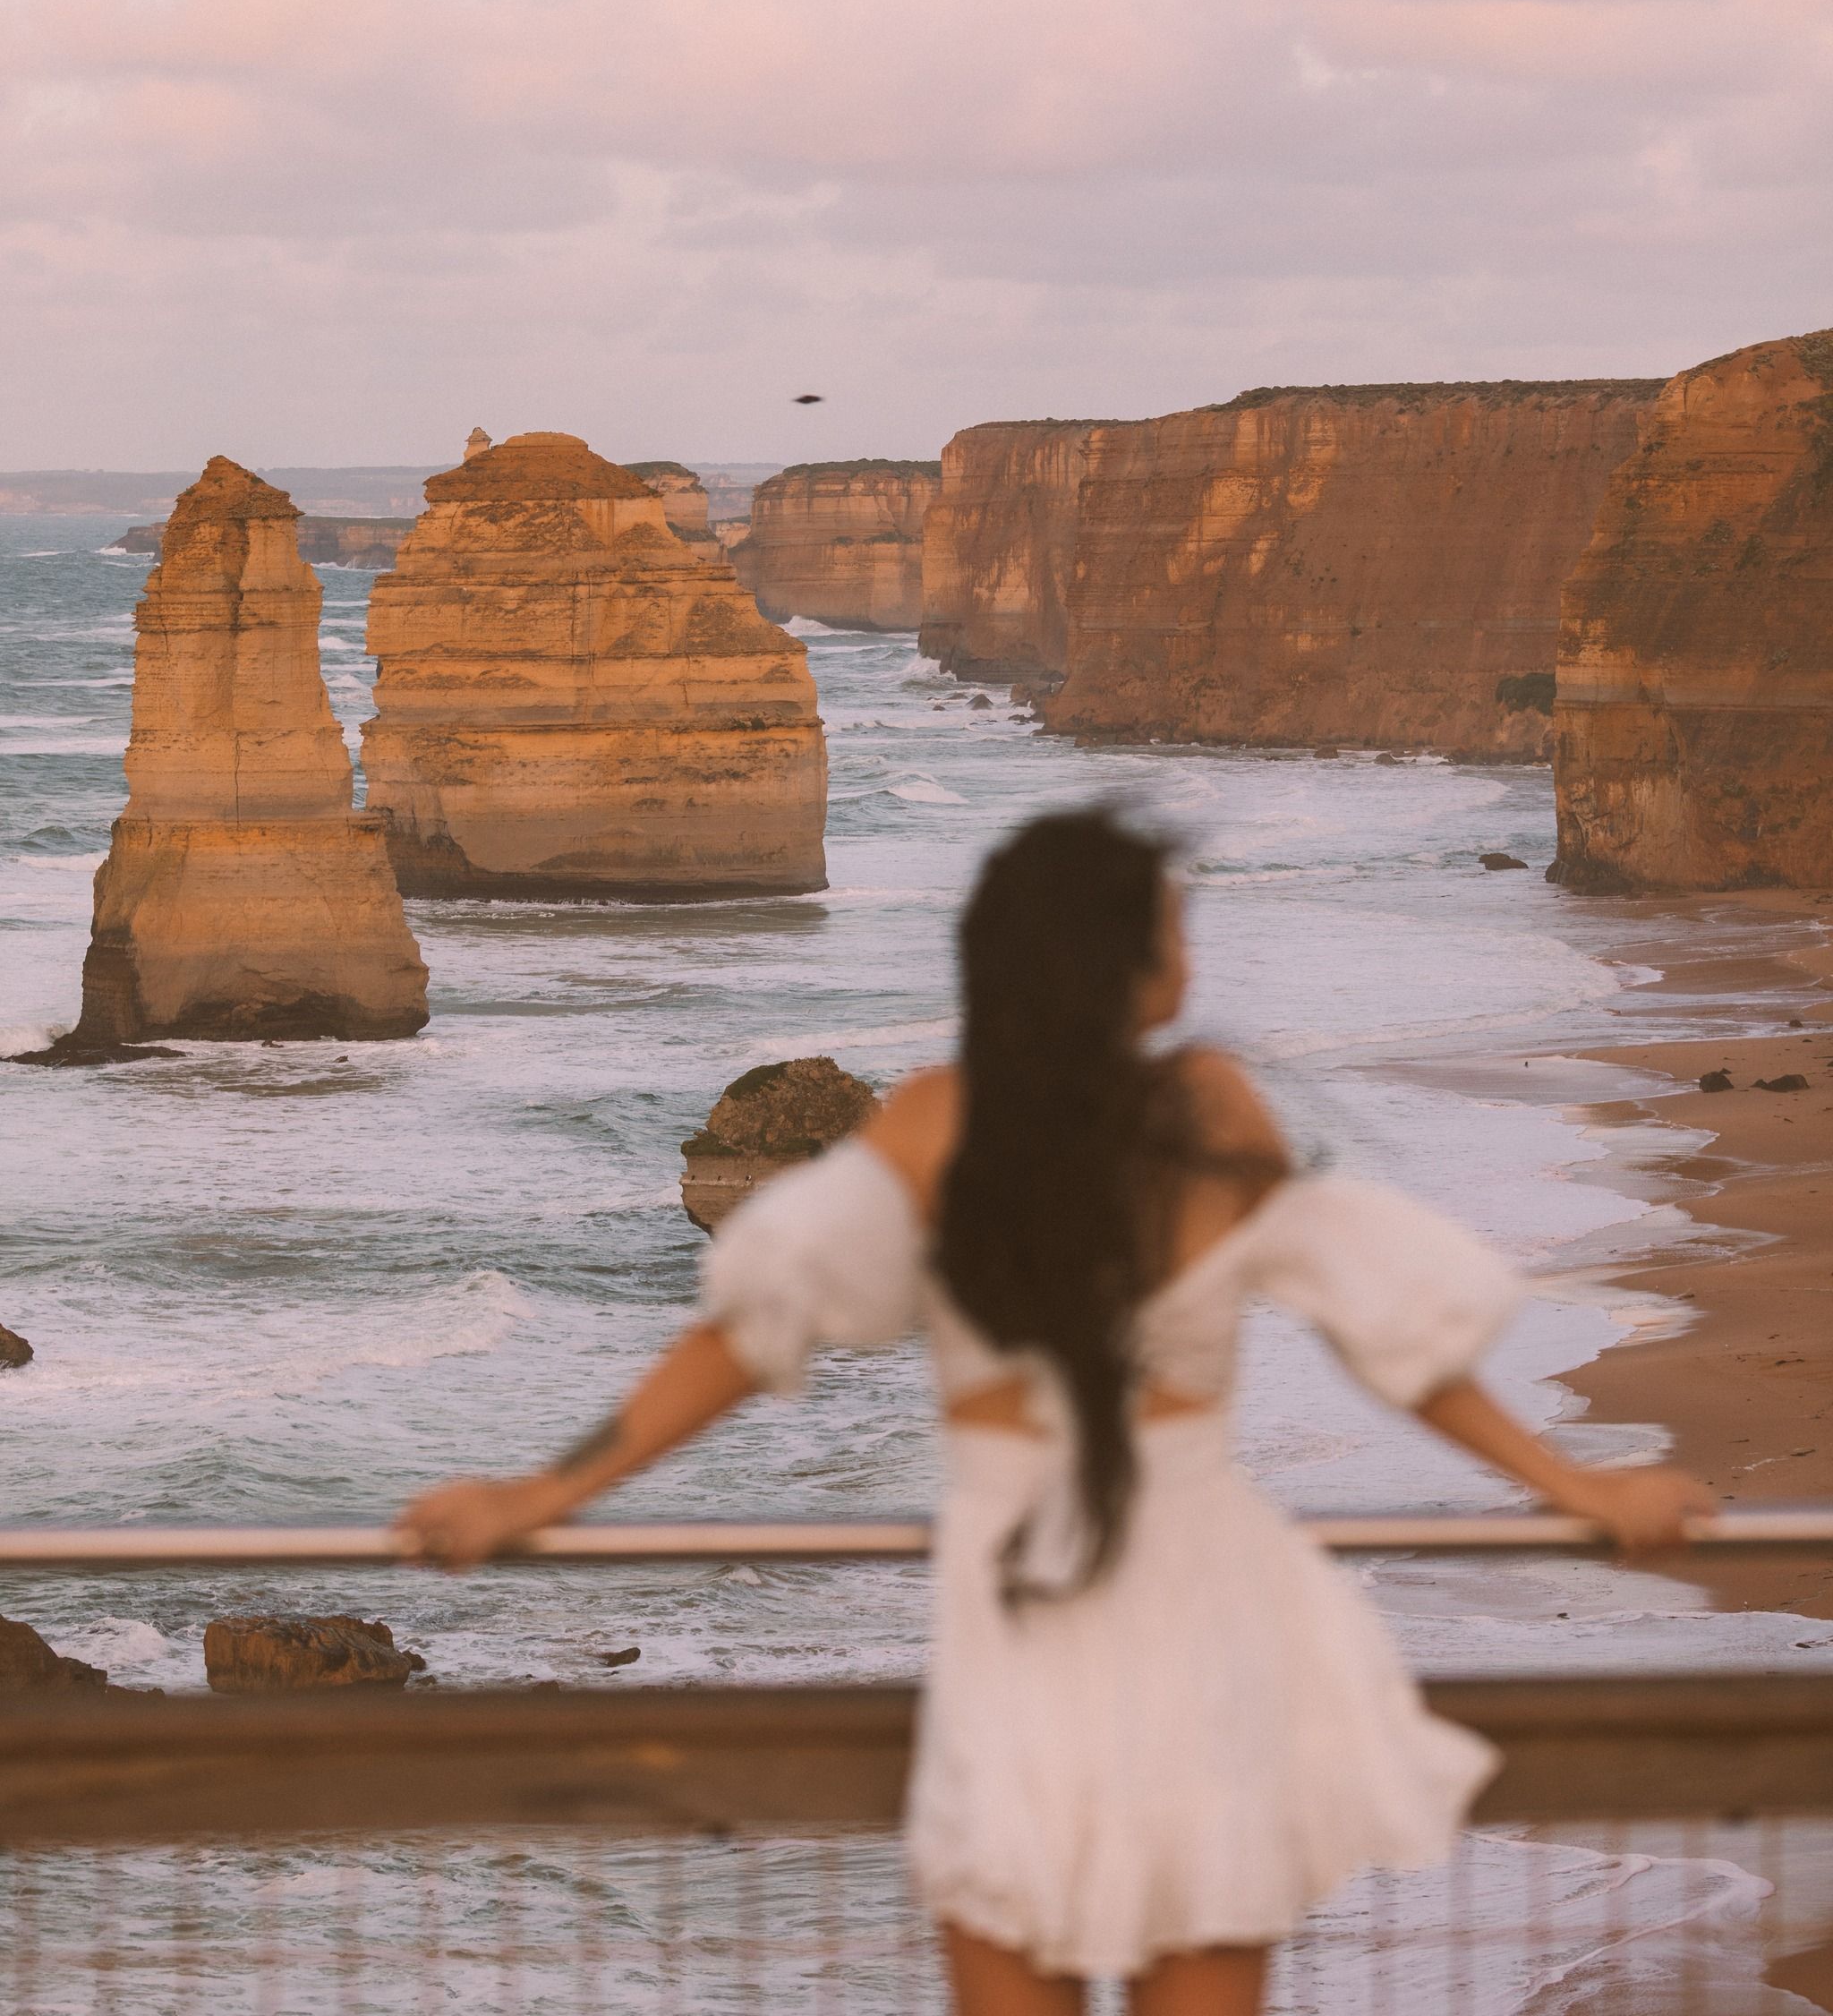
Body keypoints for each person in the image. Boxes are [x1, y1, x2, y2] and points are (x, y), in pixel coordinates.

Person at [399, 807, 1713, 2013]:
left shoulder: (935, 1123)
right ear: (1127, 962)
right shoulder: (1206, 1105)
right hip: (1200, 1601)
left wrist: (543, 1496)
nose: (1193, 954)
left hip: (1021, 1612)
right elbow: (1393, 1337)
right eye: (1177, 928)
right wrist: (1575, 1488)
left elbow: (746, 1336)